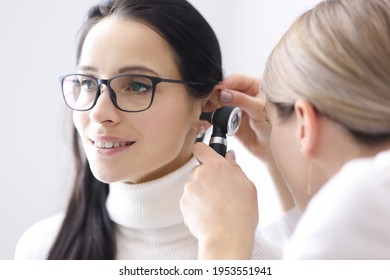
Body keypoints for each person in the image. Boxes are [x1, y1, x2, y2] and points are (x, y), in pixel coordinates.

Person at [14, 0, 280, 260]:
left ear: (207, 105)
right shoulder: (42, 248)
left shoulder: (253, 260)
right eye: (87, 82)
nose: (98, 112)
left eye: (137, 86)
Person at [180, 0, 390, 259]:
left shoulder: (357, 202)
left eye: (270, 118)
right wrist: (273, 158)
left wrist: (224, 237)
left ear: (305, 123)